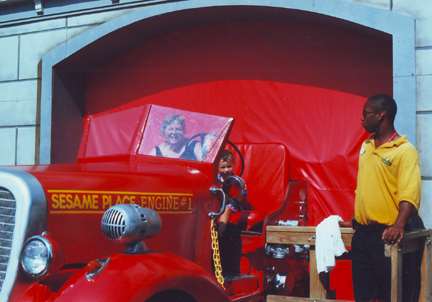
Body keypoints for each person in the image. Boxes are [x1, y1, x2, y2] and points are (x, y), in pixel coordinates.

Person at [340, 94, 421, 302]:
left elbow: (409, 193)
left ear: (380, 115)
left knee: (391, 296)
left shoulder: (405, 151)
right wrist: (355, 218)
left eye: (365, 114)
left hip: (388, 236)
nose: (361, 119)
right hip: (362, 237)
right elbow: (365, 188)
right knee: (364, 297)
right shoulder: (366, 146)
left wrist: (399, 225)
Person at [217, 150, 247, 238]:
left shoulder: (238, 181)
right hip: (217, 204)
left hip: (232, 205)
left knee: (226, 209)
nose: (226, 170)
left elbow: (240, 200)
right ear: (218, 167)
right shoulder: (216, 179)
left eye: (229, 166)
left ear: (234, 164)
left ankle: (219, 235)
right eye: (223, 167)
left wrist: (239, 192)